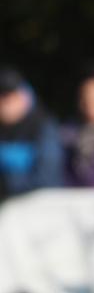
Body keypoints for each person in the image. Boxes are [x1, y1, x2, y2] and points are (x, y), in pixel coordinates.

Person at [0, 66, 64, 201]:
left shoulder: (44, 127)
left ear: (24, 96)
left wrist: (6, 183)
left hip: (40, 213)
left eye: (8, 97)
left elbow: (47, 179)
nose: (4, 104)